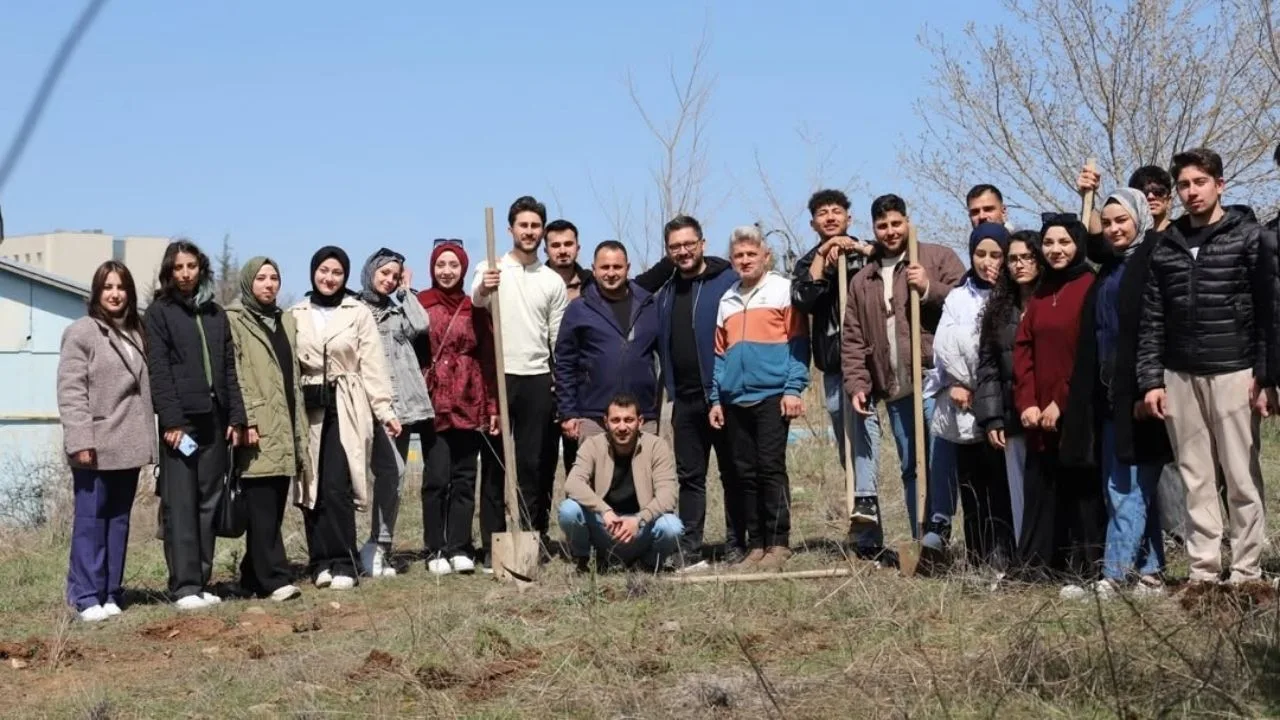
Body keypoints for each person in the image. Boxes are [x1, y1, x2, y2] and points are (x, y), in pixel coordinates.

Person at [1137, 148, 1275, 586]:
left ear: (1220, 184)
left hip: (1236, 370)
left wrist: (1267, 375)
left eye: (1200, 182)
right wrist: (1151, 380)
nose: (1192, 192)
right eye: (1184, 185)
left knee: (1240, 477)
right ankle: (1203, 570)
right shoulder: (1167, 246)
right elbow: (1152, 319)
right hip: (1180, 375)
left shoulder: (1249, 237)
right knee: (1196, 478)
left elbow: (1269, 312)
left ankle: (1247, 570)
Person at [1059, 189, 1171, 598]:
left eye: (1121, 220)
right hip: (1109, 397)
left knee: (1126, 486)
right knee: (1127, 485)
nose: (1114, 229)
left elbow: (1156, 330)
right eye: (1107, 223)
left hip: (1141, 396)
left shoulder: (1152, 262)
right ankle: (1151, 570)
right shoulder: (1108, 270)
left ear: (1139, 218)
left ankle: (1116, 573)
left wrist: (1149, 384)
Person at [841, 194, 965, 540]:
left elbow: (967, 303)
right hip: (895, 386)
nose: (890, 231)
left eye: (896, 223)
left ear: (908, 221)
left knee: (939, 463)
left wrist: (927, 287)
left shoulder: (937, 257)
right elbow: (852, 339)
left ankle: (939, 533)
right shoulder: (862, 279)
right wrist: (858, 385)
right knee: (911, 466)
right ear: (874, 229)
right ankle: (918, 538)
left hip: (933, 380)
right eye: (882, 225)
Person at [292, 247, 401, 591]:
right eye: (324, 270)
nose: (329, 278)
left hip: (346, 402)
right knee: (312, 485)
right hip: (307, 405)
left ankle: (344, 560)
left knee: (337, 482)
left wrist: (384, 409)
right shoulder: (295, 313)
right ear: (313, 272)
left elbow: (372, 365)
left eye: (337, 272)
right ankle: (319, 561)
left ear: (346, 276)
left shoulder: (357, 312)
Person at [146, 240, 246, 610]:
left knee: (208, 501)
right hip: (181, 424)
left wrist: (235, 416)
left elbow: (228, 369)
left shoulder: (215, 313)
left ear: (201, 269)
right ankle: (184, 586)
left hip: (215, 421)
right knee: (180, 504)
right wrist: (170, 421)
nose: (186, 274)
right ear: (169, 272)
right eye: (178, 268)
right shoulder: (160, 312)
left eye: (191, 266)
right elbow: (158, 370)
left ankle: (202, 581)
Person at [57, 261, 155, 621]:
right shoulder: (82, 332)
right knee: (90, 520)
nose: (115, 294)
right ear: (97, 292)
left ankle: (111, 591)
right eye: (107, 287)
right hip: (94, 444)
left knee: (118, 521)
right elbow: (71, 391)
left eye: (121, 287)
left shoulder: (136, 331)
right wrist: (79, 438)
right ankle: (85, 595)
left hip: (128, 443)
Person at [471, 196, 568, 553]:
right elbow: (476, 300)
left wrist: (561, 377)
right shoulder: (491, 268)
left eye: (535, 226)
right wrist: (485, 286)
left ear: (541, 232)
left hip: (538, 377)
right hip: (499, 376)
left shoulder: (551, 281)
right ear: (510, 229)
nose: (529, 231)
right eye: (523, 225)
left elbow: (557, 335)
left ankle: (532, 536)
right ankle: (492, 544)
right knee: (495, 463)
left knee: (534, 462)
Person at [708, 227, 809, 571]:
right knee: (744, 473)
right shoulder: (727, 299)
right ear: (732, 261)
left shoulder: (782, 291)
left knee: (770, 468)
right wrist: (715, 398)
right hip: (735, 399)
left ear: (766, 257)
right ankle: (755, 545)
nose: (745, 260)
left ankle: (778, 542)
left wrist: (793, 388)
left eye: (752, 254)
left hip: (772, 395)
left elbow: (797, 343)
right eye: (739, 256)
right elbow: (719, 356)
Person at [789, 189, 882, 551]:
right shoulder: (807, 262)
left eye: (837, 211)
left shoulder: (868, 250)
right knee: (848, 445)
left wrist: (856, 248)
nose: (830, 217)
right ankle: (866, 532)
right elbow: (803, 300)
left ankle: (867, 509)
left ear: (848, 217)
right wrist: (824, 262)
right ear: (813, 223)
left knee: (864, 432)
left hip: (871, 361)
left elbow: (894, 259)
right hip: (833, 363)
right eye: (823, 213)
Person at [1013, 214, 1101, 588]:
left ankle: (1086, 569)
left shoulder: (1089, 285)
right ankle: (1040, 568)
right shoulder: (1041, 292)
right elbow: (1024, 350)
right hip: (1038, 414)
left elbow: (1088, 353)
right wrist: (1028, 402)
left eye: (1063, 242)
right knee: (1041, 490)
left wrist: (1060, 403)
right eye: (1049, 243)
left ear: (1078, 243)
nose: (1056, 250)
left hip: (1077, 409)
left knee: (1080, 491)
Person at [652, 215, 744, 571]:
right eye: (675, 246)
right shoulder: (667, 291)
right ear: (668, 251)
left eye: (689, 244)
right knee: (690, 476)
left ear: (703, 243)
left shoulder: (727, 282)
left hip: (722, 396)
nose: (683, 251)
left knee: (733, 472)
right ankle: (691, 545)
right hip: (684, 399)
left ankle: (739, 541)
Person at [927, 223, 1014, 570]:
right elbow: (944, 346)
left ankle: (1007, 553)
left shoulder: (1014, 295)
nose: (987, 262)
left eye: (996, 254)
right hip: (963, 406)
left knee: (1002, 485)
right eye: (980, 254)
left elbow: (1000, 349)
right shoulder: (958, 296)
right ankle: (978, 557)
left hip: (1004, 403)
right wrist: (955, 381)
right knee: (972, 486)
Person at [226, 257, 307, 602]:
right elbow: (236, 372)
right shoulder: (234, 320)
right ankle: (274, 578)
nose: (269, 284)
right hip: (257, 425)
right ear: (248, 282)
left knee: (273, 506)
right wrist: (246, 420)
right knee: (261, 504)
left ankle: (250, 578)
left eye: (275, 277)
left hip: (285, 421)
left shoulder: (284, 320)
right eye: (261, 278)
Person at [417, 240, 500, 575]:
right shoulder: (420, 303)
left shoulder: (474, 307)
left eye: (453, 265)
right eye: (441, 265)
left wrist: (492, 403)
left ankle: (460, 546)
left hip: (469, 397)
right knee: (437, 477)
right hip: (433, 401)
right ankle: (435, 548)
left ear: (463, 269)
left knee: (465, 476)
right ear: (432, 268)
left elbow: (489, 356)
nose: (446, 271)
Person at [358, 247, 434, 578]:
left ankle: (379, 546)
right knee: (357, 477)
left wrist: (405, 293)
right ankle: (349, 547)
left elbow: (421, 325)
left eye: (395, 275)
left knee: (394, 475)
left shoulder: (399, 307)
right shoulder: (356, 309)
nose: (389, 280)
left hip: (400, 407)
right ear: (370, 272)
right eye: (384, 274)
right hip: (364, 404)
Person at [975, 230, 1046, 547]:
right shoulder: (999, 309)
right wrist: (992, 417)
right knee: (1018, 490)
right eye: (1014, 259)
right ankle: (1026, 556)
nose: (1020, 265)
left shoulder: (1053, 301)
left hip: (1050, 413)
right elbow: (988, 364)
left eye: (1027, 258)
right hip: (1011, 412)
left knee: (1049, 487)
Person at [559, 393, 683, 572]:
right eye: (616, 420)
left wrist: (639, 520)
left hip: (640, 528)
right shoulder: (592, 445)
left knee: (672, 526)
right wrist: (605, 511)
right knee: (569, 510)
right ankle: (587, 561)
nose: (622, 427)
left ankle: (647, 564)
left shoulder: (657, 446)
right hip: (605, 526)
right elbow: (572, 483)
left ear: (640, 421)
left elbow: (668, 495)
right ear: (606, 422)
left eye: (629, 420)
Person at [556, 240, 661, 440]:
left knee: (641, 471)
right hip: (594, 415)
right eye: (605, 267)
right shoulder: (579, 309)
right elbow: (565, 363)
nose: (611, 273)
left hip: (641, 415)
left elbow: (665, 355)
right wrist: (568, 412)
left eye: (617, 267)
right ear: (594, 270)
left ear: (627, 268)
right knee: (597, 472)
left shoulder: (649, 306)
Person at [542, 219, 592, 480]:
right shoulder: (534, 283)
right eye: (555, 245)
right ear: (546, 250)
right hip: (542, 387)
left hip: (582, 390)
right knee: (540, 467)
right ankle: (534, 522)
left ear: (577, 247)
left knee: (582, 466)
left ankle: (583, 521)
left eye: (568, 244)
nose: (562, 250)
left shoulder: (593, 286)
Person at [1078, 164, 1176, 233]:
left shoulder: (1184, 234)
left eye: (1158, 192)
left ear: (1169, 199)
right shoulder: (1124, 238)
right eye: (1143, 193)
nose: (1150, 197)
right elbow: (1096, 241)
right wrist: (1088, 194)